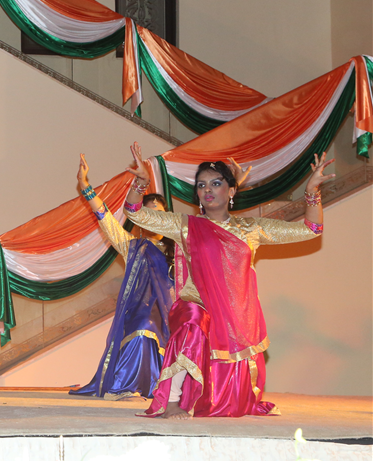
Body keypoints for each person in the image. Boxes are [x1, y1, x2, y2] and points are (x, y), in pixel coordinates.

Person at [123, 142, 332, 419]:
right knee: (191, 320)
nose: (207, 190)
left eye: (216, 183)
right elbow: (134, 212)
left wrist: (312, 193)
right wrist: (140, 184)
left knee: (234, 406)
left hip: (236, 317)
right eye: (201, 185)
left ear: (232, 191)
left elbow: (311, 229)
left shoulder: (251, 229)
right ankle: (172, 400)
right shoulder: (185, 226)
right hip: (198, 304)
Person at [69, 153, 175, 400]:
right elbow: (105, 218)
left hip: (170, 312)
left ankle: (160, 386)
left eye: (158, 213)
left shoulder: (179, 249)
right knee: (144, 324)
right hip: (138, 311)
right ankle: (126, 385)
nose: (153, 218)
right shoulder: (132, 246)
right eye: (147, 213)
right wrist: (85, 187)